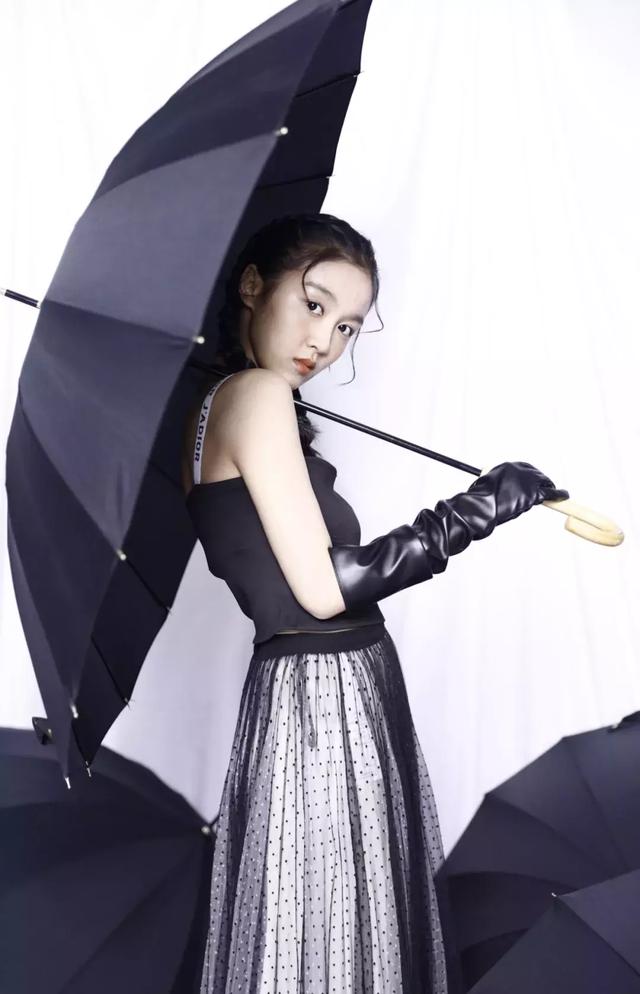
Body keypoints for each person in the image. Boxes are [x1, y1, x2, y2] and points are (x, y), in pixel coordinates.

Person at [181, 213, 569, 994]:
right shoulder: (256, 395)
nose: (323, 342)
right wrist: (473, 511)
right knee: (339, 945)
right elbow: (322, 590)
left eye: (348, 327)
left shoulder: (220, 405)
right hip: (322, 696)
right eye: (313, 304)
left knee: (322, 937)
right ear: (254, 286)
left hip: (313, 691)